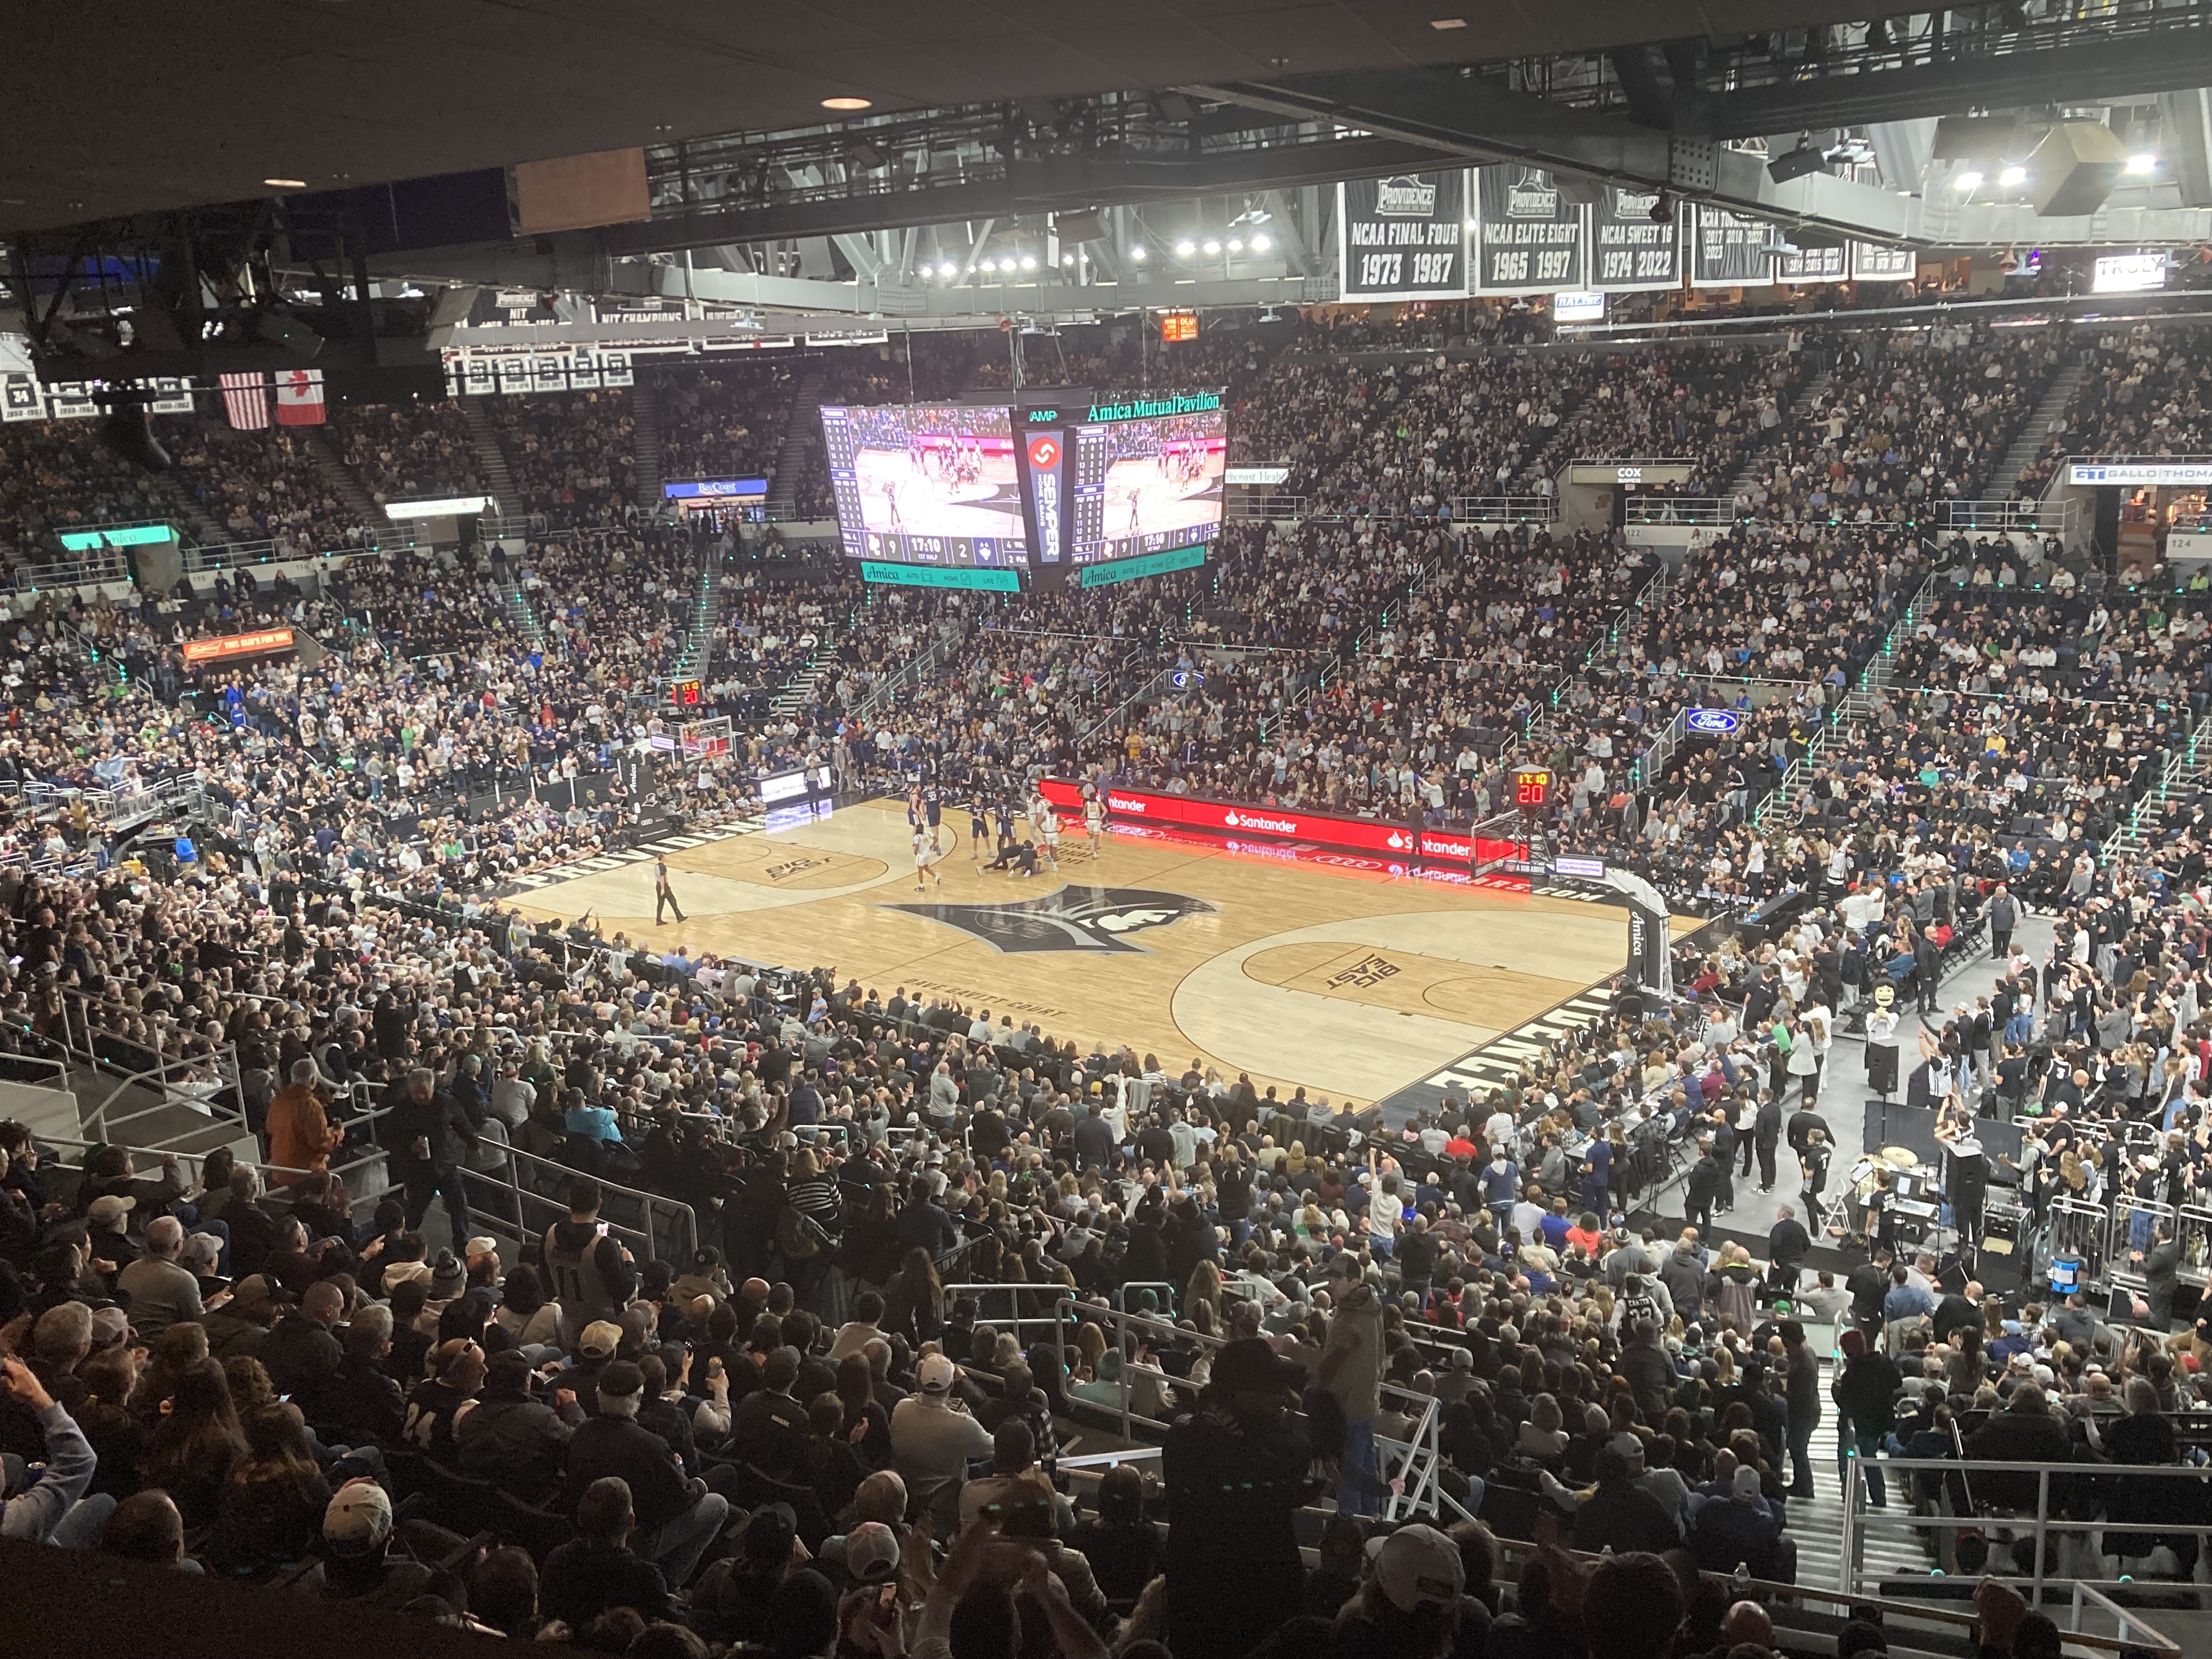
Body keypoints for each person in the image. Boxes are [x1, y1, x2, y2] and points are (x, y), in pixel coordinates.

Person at [1163, 1338, 1312, 1658]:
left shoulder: (1185, 1435)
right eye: (1275, 1389)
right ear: (1244, 1397)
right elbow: (1300, 1476)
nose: (1284, 1399)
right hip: (1244, 1617)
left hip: (1199, 1608)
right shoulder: (1246, 1450)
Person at [562, 1361, 729, 1589]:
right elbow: (681, 1498)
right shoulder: (653, 1447)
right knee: (718, 1504)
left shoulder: (581, 1432)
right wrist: (699, 1485)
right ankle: (671, 1583)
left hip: (585, 1530)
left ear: (599, 1396)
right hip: (635, 1539)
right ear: (639, 1398)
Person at [380, 1066, 477, 1245]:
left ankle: (463, 1245)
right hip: (418, 1169)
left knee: (459, 1207)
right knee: (415, 1210)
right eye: (416, 1093)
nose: (421, 1097)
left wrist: (474, 1144)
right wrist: (410, 1147)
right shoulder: (402, 1110)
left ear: (433, 1087)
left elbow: (463, 1124)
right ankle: (402, 1244)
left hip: (445, 1164)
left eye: (424, 1092)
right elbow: (387, 1138)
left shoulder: (447, 1103)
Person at [653, 856, 686, 927]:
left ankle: (658, 920)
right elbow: (662, 877)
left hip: (658, 885)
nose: (666, 858)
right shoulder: (663, 867)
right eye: (664, 857)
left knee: (660, 904)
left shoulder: (656, 866)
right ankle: (680, 918)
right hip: (664, 886)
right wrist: (663, 888)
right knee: (673, 901)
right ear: (662, 858)